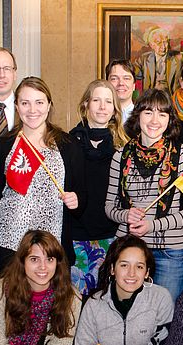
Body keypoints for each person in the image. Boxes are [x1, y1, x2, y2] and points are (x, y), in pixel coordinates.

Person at [105, 88, 183, 301]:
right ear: (137, 116)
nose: (155, 120)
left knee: (163, 317)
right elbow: (109, 207)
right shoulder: (120, 156)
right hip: (127, 249)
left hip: (169, 254)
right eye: (148, 112)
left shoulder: (182, 155)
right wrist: (126, 215)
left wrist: (152, 225)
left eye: (162, 114)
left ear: (169, 120)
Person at [0, 77, 86, 271]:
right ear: (16, 107)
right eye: (25, 103)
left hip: (53, 247)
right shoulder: (3, 145)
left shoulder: (69, 145)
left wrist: (76, 200)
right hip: (9, 245)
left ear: (49, 105)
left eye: (39, 102)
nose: (32, 110)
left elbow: (82, 195)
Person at [69, 80, 129, 296]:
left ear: (114, 109)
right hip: (75, 237)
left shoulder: (124, 147)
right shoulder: (67, 143)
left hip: (111, 236)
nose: (103, 107)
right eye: (96, 100)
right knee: (75, 303)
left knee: (106, 301)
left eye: (108, 101)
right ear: (86, 104)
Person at [133, 26, 183, 95]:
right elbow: (131, 73)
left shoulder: (179, 58)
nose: (163, 47)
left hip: (171, 98)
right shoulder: (144, 59)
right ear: (151, 45)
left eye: (165, 42)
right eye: (158, 43)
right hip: (151, 98)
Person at [105, 59, 136, 124]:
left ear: (134, 85)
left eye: (126, 78)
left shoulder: (143, 118)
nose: (121, 83)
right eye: (114, 79)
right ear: (107, 84)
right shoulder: (98, 117)